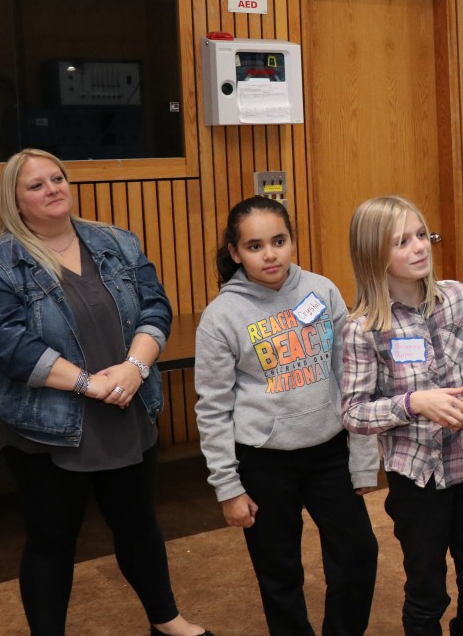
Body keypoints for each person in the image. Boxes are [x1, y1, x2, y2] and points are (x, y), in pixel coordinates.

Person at [0, 148, 211, 636]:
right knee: (52, 539)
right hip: (46, 424)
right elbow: (6, 346)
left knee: (138, 524)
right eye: (37, 185)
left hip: (125, 408)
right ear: (14, 199)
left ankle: (166, 620)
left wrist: (136, 367)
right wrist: (88, 383)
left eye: (58, 178)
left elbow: (154, 308)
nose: (53, 188)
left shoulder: (115, 241)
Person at [193, 196, 379, 636]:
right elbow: (213, 408)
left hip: (330, 452)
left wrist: (364, 458)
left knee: (358, 554)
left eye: (279, 241)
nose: (270, 254)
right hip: (263, 461)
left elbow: (351, 376)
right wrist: (227, 487)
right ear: (236, 253)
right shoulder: (221, 317)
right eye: (255, 246)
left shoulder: (322, 290)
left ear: (292, 241)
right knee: (279, 575)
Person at [340, 195, 463, 636]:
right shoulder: (362, 329)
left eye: (420, 235)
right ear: (373, 254)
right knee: (427, 592)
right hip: (417, 482)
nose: (419, 247)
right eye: (401, 242)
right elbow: (354, 413)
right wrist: (416, 403)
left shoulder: (456, 296)